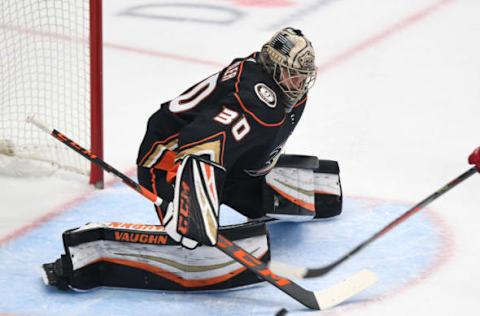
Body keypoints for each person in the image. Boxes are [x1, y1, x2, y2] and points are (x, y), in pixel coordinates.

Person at [136, 27, 342, 249]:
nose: (299, 84)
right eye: (292, 74)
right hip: (167, 162)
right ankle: (188, 201)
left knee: (252, 183)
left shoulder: (280, 91)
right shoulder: (256, 100)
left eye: (303, 76)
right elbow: (200, 138)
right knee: (192, 239)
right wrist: (190, 204)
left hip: (229, 164)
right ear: (273, 67)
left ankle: (241, 187)